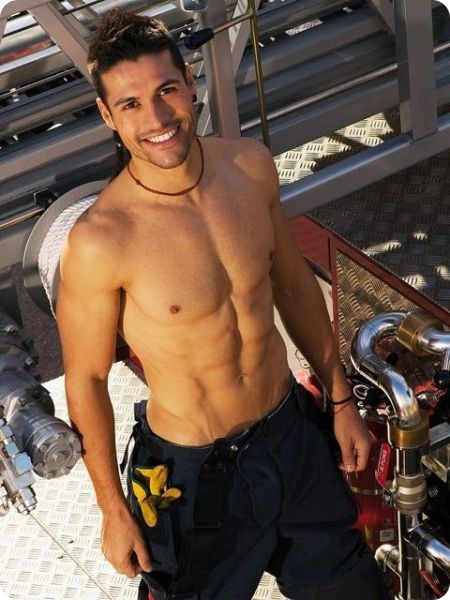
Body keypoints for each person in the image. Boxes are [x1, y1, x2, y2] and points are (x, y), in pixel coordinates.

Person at [56, 9, 388, 600]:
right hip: (192, 477)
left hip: (290, 436)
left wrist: (339, 399)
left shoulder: (248, 167)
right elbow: (86, 379)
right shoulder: (101, 241)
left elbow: (292, 284)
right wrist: (112, 509)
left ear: (190, 83)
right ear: (108, 116)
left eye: (166, 91)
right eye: (131, 104)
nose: (157, 119)